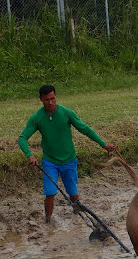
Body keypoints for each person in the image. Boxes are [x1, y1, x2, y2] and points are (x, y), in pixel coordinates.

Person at [18, 85, 117, 224]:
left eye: (53, 98)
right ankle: (48, 220)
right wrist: (30, 155)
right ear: (41, 99)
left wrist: (103, 144)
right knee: (50, 192)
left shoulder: (66, 113)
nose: (50, 102)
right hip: (49, 162)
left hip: (69, 160)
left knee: (72, 191)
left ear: (56, 97)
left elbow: (85, 129)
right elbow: (22, 137)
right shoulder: (37, 118)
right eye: (47, 100)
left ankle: (78, 217)